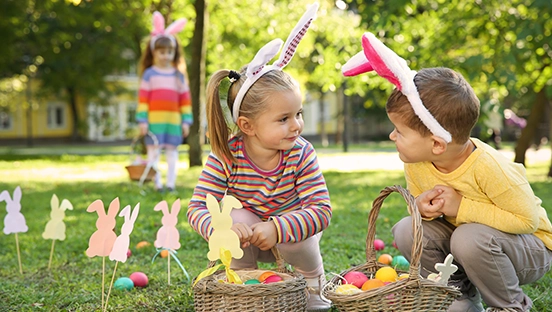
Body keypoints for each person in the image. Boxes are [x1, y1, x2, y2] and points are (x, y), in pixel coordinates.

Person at [342, 33, 552, 312]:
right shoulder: (416, 161)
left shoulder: (490, 167)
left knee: (468, 238)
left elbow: (525, 220)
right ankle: (458, 297)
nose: (393, 136)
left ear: (437, 144)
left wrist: (461, 206)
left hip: (530, 249)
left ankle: (509, 305)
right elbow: (427, 215)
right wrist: (422, 208)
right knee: (408, 229)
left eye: (400, 131)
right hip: (469, 243)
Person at [187, 3, 333, 311]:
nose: (296, 125)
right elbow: (198, 206)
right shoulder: (227, 154)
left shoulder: (301, 152)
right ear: (247, 126)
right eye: (283, 119)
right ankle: (246, 286)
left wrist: (277, 227)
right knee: (232, 216)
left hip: (291, 238)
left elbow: (321, 210)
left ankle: (312, 286)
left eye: (299, 114)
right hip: (248, 240)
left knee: (298, 238)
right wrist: (219, 230)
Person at [136, 11, 192, 193]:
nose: (166, 55)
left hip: (173, 122)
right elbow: (143, 100)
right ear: (154, 52)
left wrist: (186, 121)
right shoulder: (149, 74)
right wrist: (142, 121)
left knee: (172, 153)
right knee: (154, 153)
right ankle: (157, 183)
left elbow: (185, 101)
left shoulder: (178, 75)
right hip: (154, 122)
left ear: (174, 53)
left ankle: (170, 184)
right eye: (162, 52)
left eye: (169, 52)